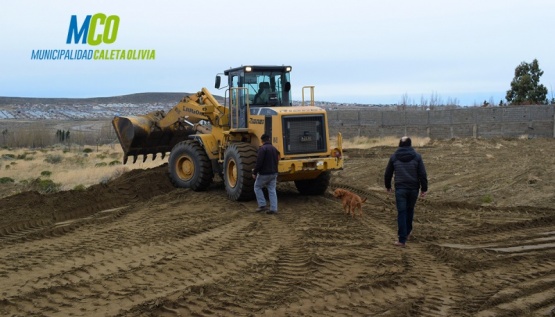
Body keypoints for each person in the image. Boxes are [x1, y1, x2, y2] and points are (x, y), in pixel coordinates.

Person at [384, 136, 428, 248]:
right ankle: (408, 232)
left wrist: (388, 186)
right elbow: (422, 174)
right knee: (410, 210)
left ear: (399, 144)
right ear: (410, 144)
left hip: (400, 189)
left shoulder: (394, 157)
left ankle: (402, 240)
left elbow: (388, 173)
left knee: (402, 212)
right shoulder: (417, 157)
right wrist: (424, 189)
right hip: (414, 188)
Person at [252, 134, 280, 214]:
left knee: (257, 187)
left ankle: (262, 205)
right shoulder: (275, 149)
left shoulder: (262, 149)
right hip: (274, 173)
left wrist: (255, 172)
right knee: (272, 190)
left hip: (264, 174)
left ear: (262, 141)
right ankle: (274, 209)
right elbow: (277, 160)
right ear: (269, 139)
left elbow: (259, 163)